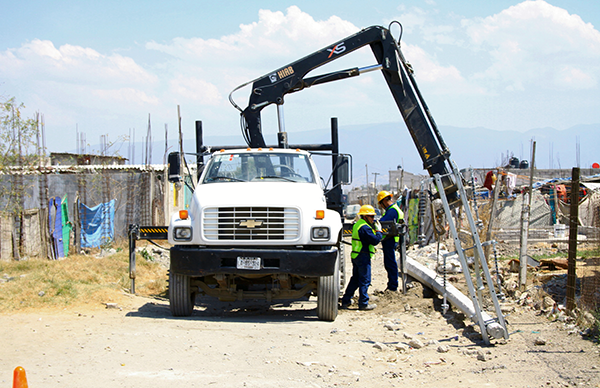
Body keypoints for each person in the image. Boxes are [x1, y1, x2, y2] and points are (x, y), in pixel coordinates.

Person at [340, 204, 382, 311]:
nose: (373, 219)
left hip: (356, 255)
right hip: (363, 256)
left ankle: (346, 300)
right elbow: (375, 240)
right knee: (365, 280)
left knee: (355, 279)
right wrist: (379, 231)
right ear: (365, 216)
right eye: (371, 217)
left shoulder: (358, 224)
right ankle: (363, 303)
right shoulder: (365, 228)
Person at [377, 190, 404, 291]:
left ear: (384, 201)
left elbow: (382, 223)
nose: (381, 207)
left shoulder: (392, 211)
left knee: (390, 263)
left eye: (381, 204)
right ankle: (392, 285)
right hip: (391, 239)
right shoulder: (394, 209)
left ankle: (393, 286)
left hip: (390, 239)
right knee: (390, 263)